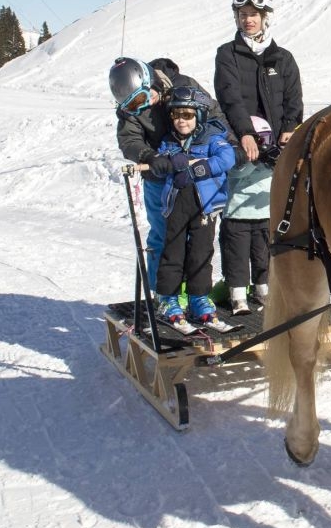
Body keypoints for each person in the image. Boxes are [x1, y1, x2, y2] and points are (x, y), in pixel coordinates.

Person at [111, 57, 222, 291]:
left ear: (151, 80)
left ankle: (196, 294)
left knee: (197, 238)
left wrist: (229, 145)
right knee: (164, 237)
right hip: (160, 180)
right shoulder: (131, 109)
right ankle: (162, 294)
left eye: (143, 97)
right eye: (133, 105)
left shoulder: (184, 85)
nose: (142, 106)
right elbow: (129, 139)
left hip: (195, 177)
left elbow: (213, 115)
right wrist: (148, 156)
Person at [153, 87, 236, 327]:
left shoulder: (212, 137)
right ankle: (168, 298)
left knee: (201, 253)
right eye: (176, 115)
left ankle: (199, 297)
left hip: (204, 207)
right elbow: (158, 163)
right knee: (173, 252)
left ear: (199, 116)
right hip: (176, 204)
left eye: (187, 115)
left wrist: (197, 169)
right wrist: (168, 162)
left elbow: (226, 158)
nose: (181, 121)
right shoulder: (169, 140)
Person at [214, 0, 303, 164]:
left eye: (253, 14)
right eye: (243, 15)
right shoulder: (227, 53)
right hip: (244, 144)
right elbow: (230, 98)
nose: (248, 20)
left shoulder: (283, 57)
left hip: (279, 144)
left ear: (264, 17)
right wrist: (246, 133)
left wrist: (290, 127)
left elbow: (293, 96)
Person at [220, 115, 279, 314]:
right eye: (257, 141)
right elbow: (236, 173)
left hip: (264, 215)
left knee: (263, 257)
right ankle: (238, 295)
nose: (261, 146)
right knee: (237, 258)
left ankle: (263, 289)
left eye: (263, 141)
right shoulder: (236, 161)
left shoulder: (271, 160)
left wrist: (276, 160)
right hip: (237, 217)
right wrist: (255, 159)